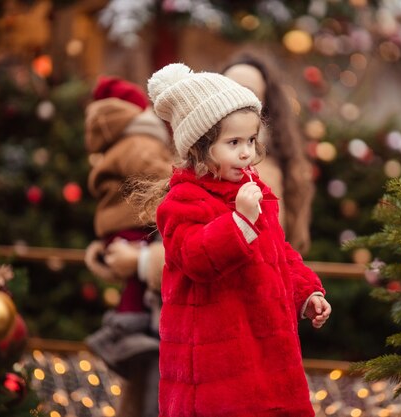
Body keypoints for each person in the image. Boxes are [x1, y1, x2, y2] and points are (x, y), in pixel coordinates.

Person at [134, 63, 331, 417]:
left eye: (251, 141)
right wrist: (239, 221)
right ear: (198, 148)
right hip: (216, 367)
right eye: (234, 142)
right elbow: (196, 258)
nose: (246, 153)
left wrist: (306, 293)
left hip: (267, 351)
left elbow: (278, 251)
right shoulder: (182, 202)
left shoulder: (253, 191)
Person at [83, 75, 173, 417]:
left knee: (135, 292)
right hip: (139, 224)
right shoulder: (140, 142)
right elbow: (158, 176)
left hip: (118, 228)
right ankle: (124, 328)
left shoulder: (114, 145)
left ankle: (123, 324)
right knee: (140, 299)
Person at [222, 52, 315, 255]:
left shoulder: (277, 170)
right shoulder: (195, 154)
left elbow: (285, 249)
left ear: (264, 104)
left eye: (247, 92)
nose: (235, 99)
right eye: (227, 89)